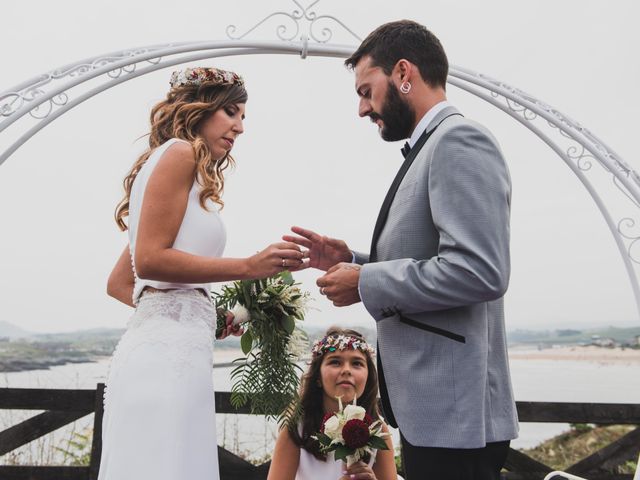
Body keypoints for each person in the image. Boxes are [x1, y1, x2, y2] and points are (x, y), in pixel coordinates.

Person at [284, 21, 518, 480]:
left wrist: (366, 282)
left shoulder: (459, 141)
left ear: (404, 73)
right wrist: (351, 261)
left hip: (457, 417)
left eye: (366, 91)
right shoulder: (430, 148)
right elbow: (435, 260)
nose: (361, 108)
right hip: (435, 413)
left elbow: (481, 271)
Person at [99, 66, 305, 480]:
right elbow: (152, 260)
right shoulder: (179, 153)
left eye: (244, 116)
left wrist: (199, 313)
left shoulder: (180, 171)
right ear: (200, 108)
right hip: (163, 363)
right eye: (231, 111)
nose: (240, 127)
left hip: (174, 352)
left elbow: (123, 282)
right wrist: (248, 267)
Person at [268, 327, 397, 480]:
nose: (346, 370)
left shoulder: (377, 428)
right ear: (318, 377)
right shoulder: (296, 428)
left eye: (357, 363)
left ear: (368, 378)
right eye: (335, 362)